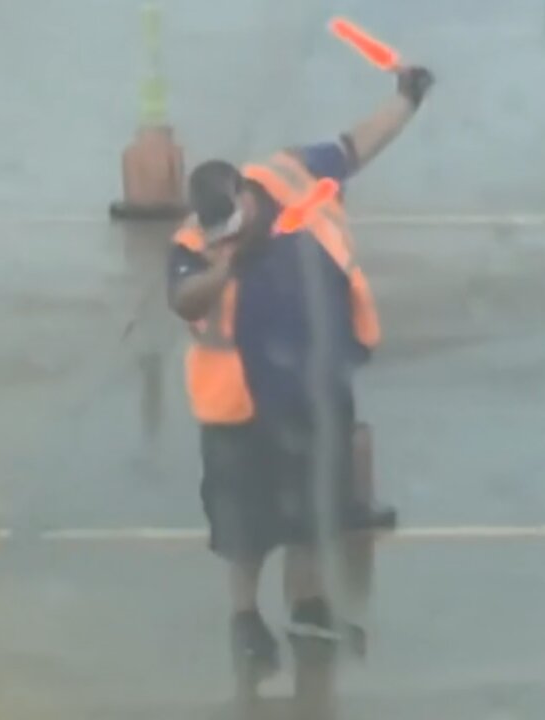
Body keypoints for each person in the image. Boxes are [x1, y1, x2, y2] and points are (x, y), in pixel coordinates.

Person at [167, 67, 434, 684]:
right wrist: (223, 266)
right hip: (241, 409)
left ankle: (309, 609)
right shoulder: (195, 245)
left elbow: (356, 146)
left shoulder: (294, 173)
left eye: (232, 224)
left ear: (245, 193)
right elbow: (184, 301)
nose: (223, 237)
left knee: (318, 510)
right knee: (246, 528)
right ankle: (245, 618)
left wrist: (405, 99)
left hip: (316, 387)